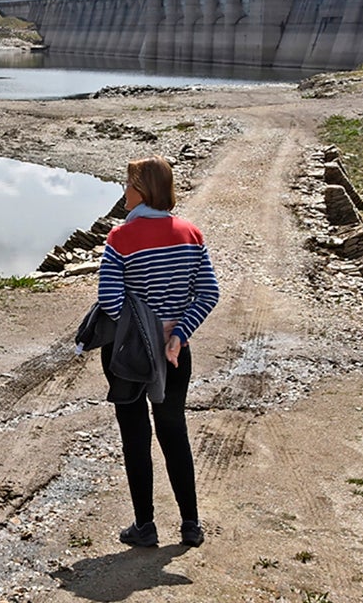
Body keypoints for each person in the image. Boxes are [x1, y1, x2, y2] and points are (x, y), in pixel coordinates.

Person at [97, 155, 219, 548]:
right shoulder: (191, 234)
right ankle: (190, 525)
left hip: (128, 355)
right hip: (174, 354)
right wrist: (177, 334)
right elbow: (209, 293)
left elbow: (109, 301)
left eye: (128, 184)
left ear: (141, 189)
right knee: (173, 430)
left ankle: (145, 527)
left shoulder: (120, 238)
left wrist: (141, 331)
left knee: (135, 435)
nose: (124, 192)